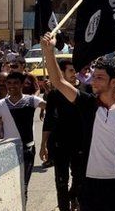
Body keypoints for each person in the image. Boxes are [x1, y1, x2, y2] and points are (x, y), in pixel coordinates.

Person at [41, 32, 115, 211]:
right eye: (94, 76)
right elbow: (58, 82)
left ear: (114, 81)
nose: (93, 81)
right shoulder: (87, 104)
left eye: (99, 78)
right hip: (89, 184)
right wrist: (48, 51)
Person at [0, 71, 47, 201]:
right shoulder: (0, 104)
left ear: (22, 84)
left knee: (23, 185)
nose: (12, 86)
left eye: (16, 83)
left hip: (27, 150)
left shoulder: (31, 100)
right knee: (11, 186)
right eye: (9, 83)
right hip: (8, 151)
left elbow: (50, 107)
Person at [40, 59, 85, 211]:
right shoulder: (54, 95)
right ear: (62, 73)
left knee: (79, 179)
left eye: (75, 71)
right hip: (60, 145)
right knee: (61, 182)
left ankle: (73, 196)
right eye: (71, 71)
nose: (74, 74)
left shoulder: (85, 91)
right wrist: (43, 145)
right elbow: (48, 120)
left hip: (81, 144)